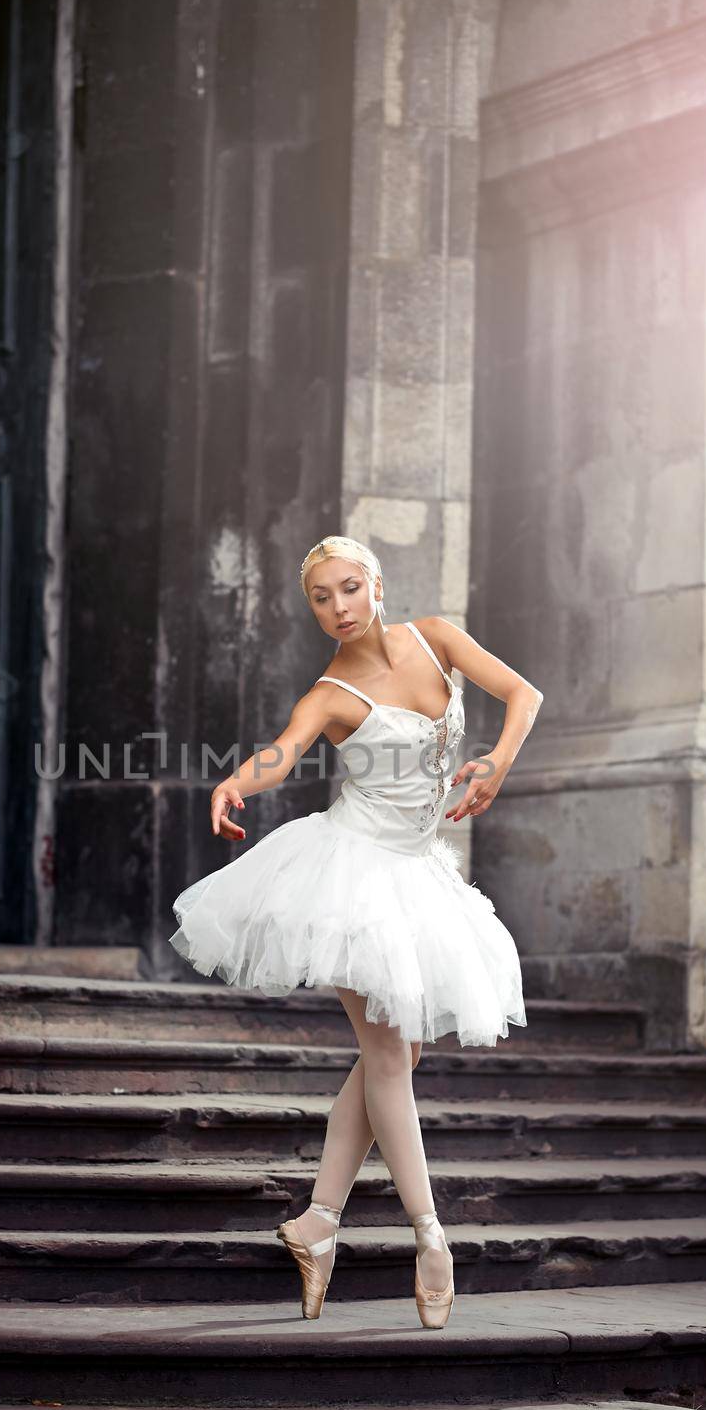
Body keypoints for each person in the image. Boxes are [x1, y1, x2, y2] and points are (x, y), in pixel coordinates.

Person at [169, 535, 543, 1328]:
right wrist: (237, 779)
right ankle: (430, 1237)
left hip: (419, 873)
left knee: (396, 1055)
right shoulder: (331, 692)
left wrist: (497, 764)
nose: (336, 608)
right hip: (352, 874)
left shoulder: (435, 637)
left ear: (376, 585)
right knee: (386, 1056)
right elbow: (284, 750)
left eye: (347, 589)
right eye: (319, 598)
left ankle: (317, 1224)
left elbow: (523, 695)